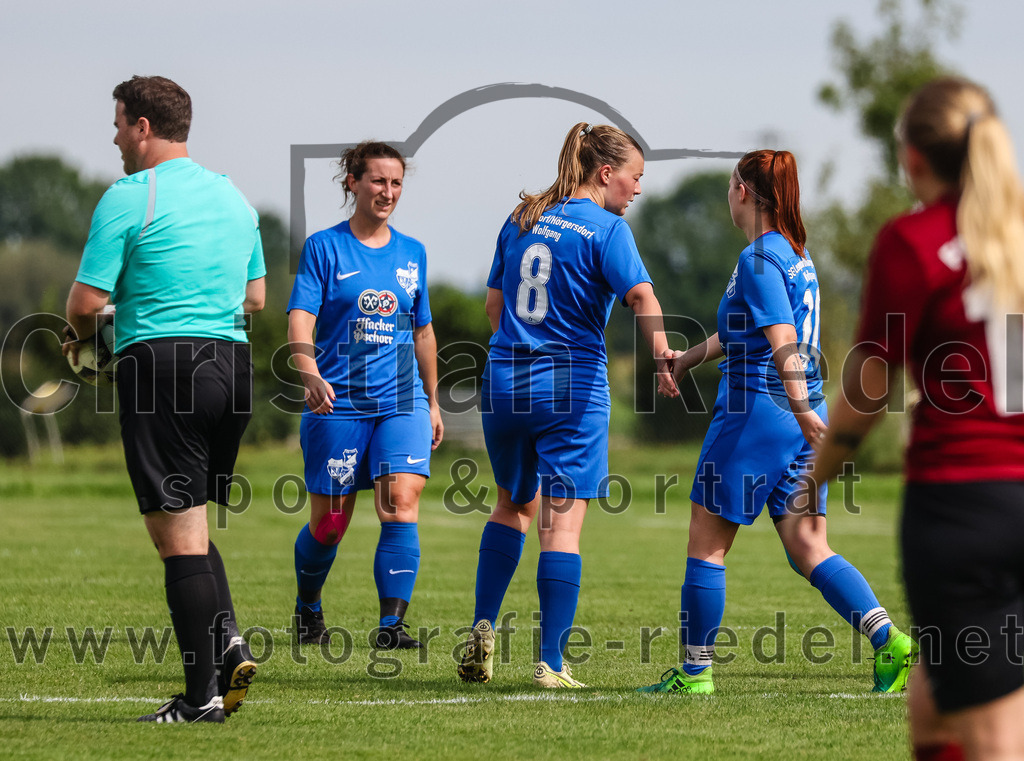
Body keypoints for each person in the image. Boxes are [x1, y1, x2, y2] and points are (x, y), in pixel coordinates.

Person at [799, 77, 1024, 761]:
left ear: (914, 158)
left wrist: (816, 478)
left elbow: (868, 391)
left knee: (993, 735)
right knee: (932, 701)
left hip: (962, 505)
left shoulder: (914, 241)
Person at [638, 150, 914, 695]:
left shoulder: (758, 258)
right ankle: (890, 641)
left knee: (707, 540)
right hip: (798, 413)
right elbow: (745, 332)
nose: (728, 195)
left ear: (742, 191)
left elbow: (782, 337)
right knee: (808, 544)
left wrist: (800, 407)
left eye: (730, 186)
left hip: (758, 413)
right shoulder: (793, 254)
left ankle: (694, 673)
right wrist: (686, 360)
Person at [63, 76, 265, 723]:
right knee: (190, 524)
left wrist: (87, 342)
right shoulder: (234, 196)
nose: (116, 138)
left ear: (144, 127)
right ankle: (227, 642)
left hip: (165, 367)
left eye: (119, 124)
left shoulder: (130, 195)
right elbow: (256, 298)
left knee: (176, 538)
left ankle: (201, 697)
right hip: (232, 367)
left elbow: (85, 304)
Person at [456, 122, 678, 688]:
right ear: (605, 173)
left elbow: (494, 307)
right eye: (634, 177)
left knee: (511, 504)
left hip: (504, 382)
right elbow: (641, 296)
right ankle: (551, 663)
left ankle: (482, 628)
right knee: (560, 527)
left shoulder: (523, 216)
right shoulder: (608, 229)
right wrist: (661, 354)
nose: (638, 189)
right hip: (571, 387)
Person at [287, 141, 442, 651]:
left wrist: (433, 401)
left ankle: (391, 627)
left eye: (396, 183)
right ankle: (308, 607)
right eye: (378, 180)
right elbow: (300, 319)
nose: (388, 192)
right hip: (338, 404)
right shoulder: (323, 247)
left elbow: (423, 332)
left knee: (400, 502)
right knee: (330, 524)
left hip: (402, 401)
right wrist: (309, 373)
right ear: (352, 182)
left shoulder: (413, 252)